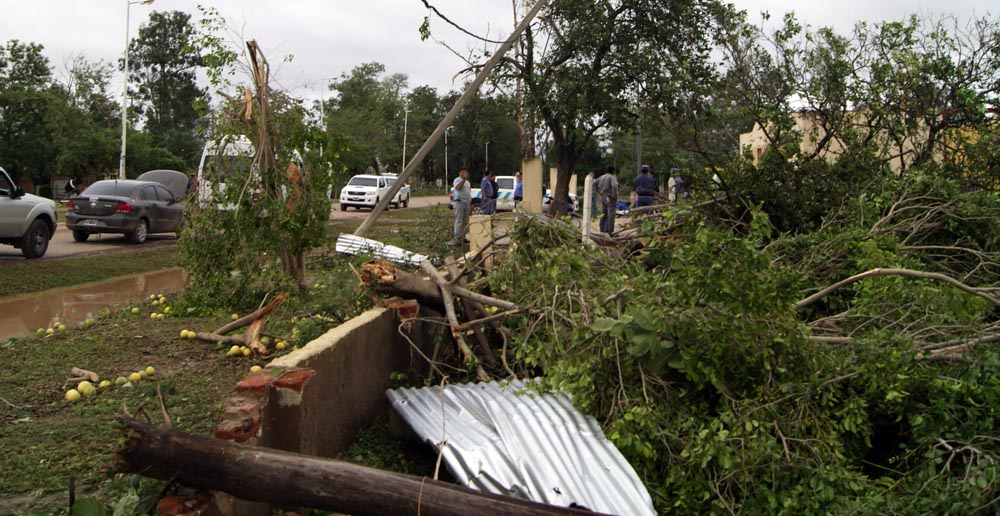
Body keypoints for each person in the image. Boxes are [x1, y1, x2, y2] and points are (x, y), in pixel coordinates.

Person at [595, 165, 618, 235]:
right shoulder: (612, 177)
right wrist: (614, 195)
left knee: (603, 214)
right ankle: (610, 232)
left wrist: (598, 191)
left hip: (603, 196)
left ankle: (602, 230)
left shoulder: (601, 177)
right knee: (611, 215)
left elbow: (594, 183)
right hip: (610, 197)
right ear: (613, 171)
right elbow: (614, 186)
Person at [451, 167, 472, 245]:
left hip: (467, 202)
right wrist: (463, 180)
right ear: (459, 173)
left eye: (465, 172)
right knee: (459, 220)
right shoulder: (457, 180)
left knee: (465, 221)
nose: (464, 174)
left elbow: (468, 192)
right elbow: (458, 188)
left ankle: (463, 237)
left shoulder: (468, 182)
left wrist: (470, 202)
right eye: (462, 172)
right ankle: (457, 238)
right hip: (459, 202)